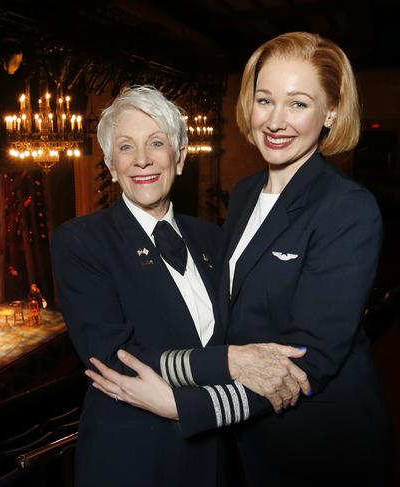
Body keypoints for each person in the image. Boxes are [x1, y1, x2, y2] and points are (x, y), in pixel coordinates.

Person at [88, 33, 392, 486]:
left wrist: (182, 405)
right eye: (265, 99)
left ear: (331, 111)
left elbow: (313, 359)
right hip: (249, 438)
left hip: (318, 443)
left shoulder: (347, 207)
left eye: (299, 104)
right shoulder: (249, 192)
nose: (276, 120)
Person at [51, 85, 305, 487]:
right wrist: (232, 362)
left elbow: (244, 325)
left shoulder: (214, 238)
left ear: (180, 157)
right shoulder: (81, 242)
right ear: (111, 165)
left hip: (215, 447)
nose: (142, 160)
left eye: (156, 143)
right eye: (126, 148)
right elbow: (114, 359)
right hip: (134, 457)